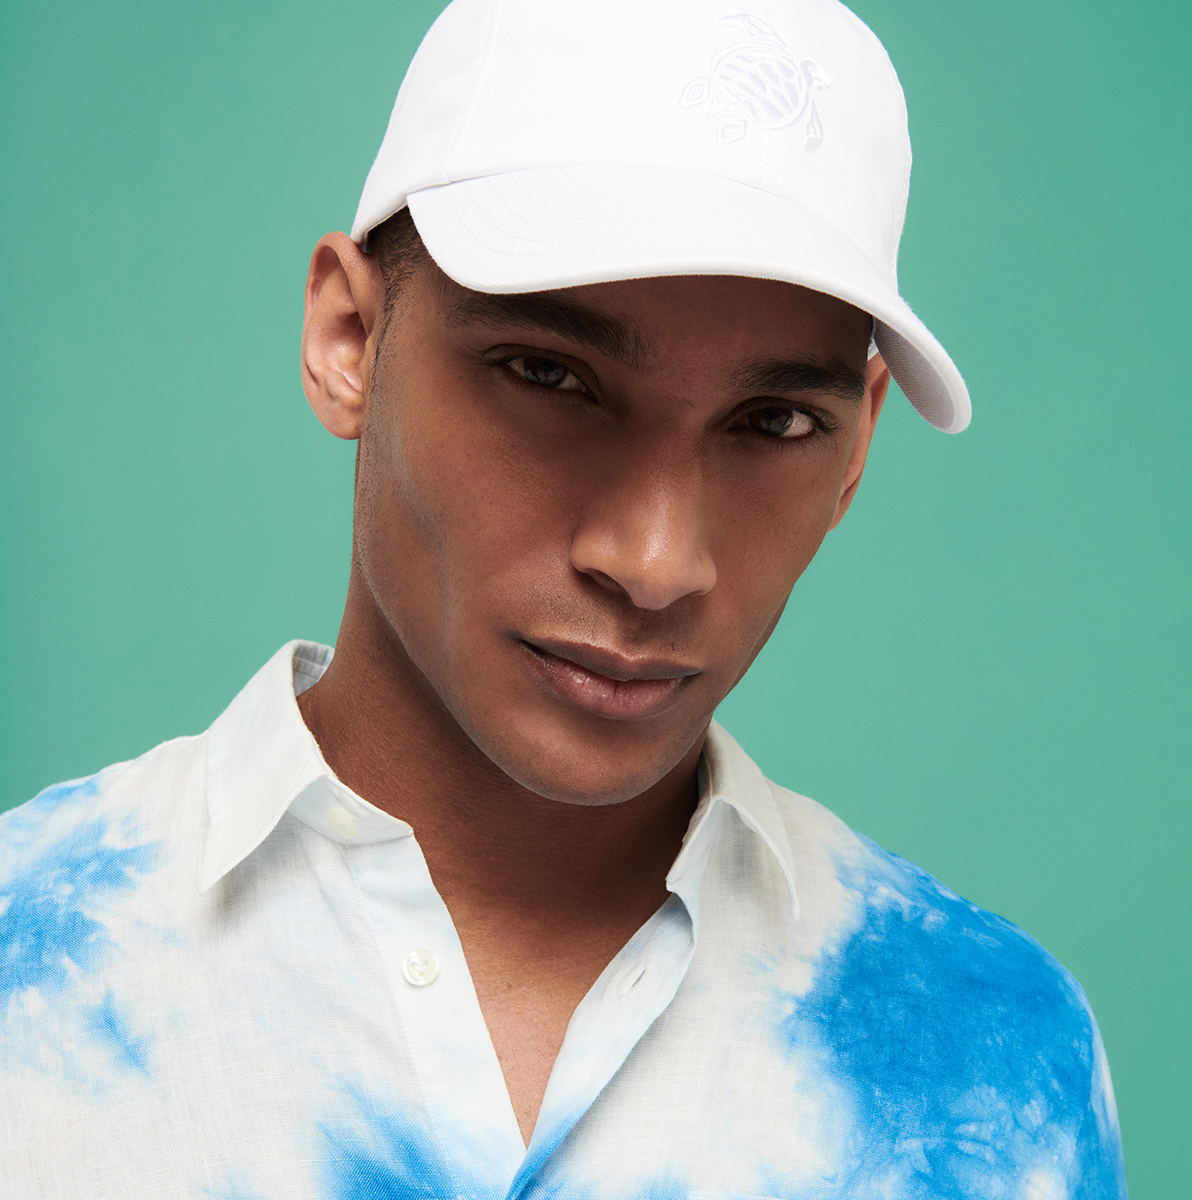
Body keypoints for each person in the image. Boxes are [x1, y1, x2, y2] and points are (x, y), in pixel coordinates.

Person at [0, 0, 1127, 1195]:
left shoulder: (997, 1066)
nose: (656, 561)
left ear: (854, 455)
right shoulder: (29, 974)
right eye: (549, 374)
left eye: (774, 422)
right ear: (349, 337)